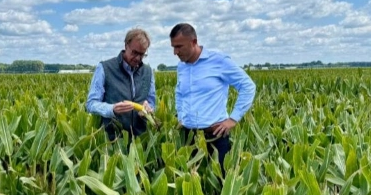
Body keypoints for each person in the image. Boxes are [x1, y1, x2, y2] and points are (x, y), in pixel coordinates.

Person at [169, 23, 256, 168]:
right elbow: (180, 93)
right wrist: (180, 115)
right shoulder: (181, 66)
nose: (175, 52)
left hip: (215, 136)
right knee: (192, 185)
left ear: (194, 42)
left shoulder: (219, 60)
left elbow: (248, 86)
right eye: (173, 47)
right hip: (189, 138)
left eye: (179, 46)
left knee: (220, 183)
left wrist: (233, 119)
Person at [86, 28, 156, 141]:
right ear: (126, 45)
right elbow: (91, 104)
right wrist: (112, 109)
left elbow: (151, 102)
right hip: (113, 140)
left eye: (142, 54)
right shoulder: (105, 68)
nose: (138, 58)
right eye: (135, 53)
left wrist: (149, 108)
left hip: (140, 141)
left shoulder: (148, 72)